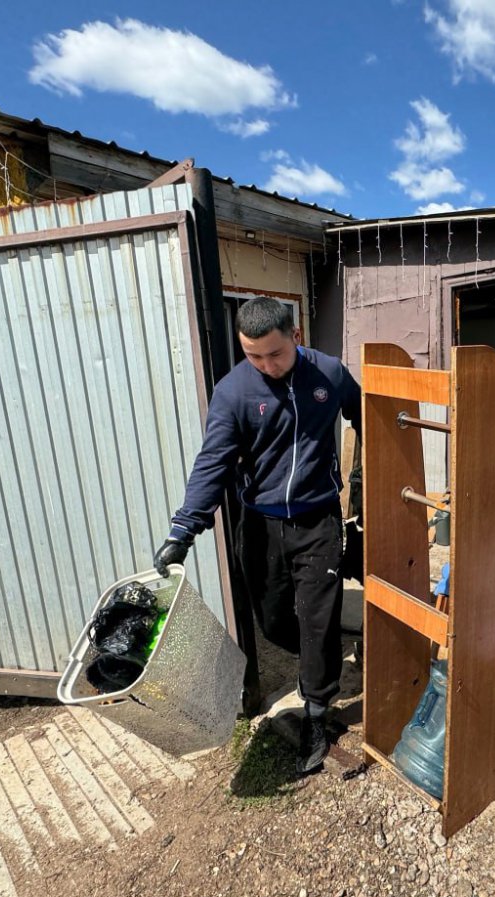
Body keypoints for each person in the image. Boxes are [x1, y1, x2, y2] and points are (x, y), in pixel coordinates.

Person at [153, 297, 361, 774]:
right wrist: (184, 529)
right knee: (273, 621)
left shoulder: (328, 373)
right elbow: (213, 463)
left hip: (318, 521)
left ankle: (316, 711)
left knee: (318, 619)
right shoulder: (235, 392)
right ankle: (315, 655)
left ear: (296, 336)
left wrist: (369, 477)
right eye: (254, 356)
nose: (266, 365)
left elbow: (363, 411)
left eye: (275, 354)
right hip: (262, 525)